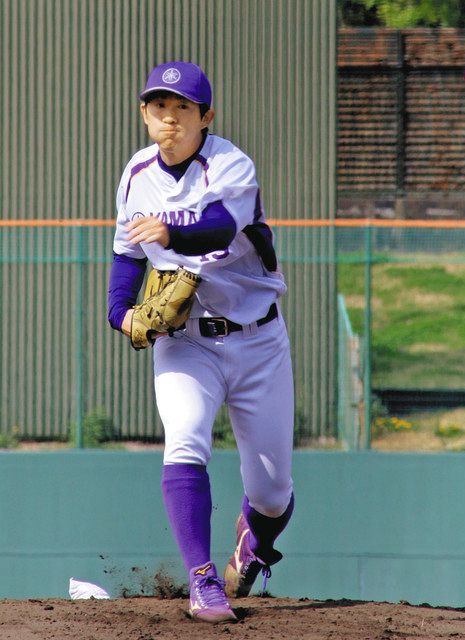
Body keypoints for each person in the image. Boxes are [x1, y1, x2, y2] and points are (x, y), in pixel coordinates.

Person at [107, 60, 295, 623]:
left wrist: (173, 232)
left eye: (182, 108)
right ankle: (203, 580)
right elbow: (127, 253)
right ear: (144, 114)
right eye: (158, 106)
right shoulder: (136, 175)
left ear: (205, 116)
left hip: (258, 341)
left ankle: (252, 543)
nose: (169, 117)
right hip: (186, 342)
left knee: (272, 495)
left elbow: (218, 227)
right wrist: (118, 313)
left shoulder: (230, 164)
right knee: (184, 440)